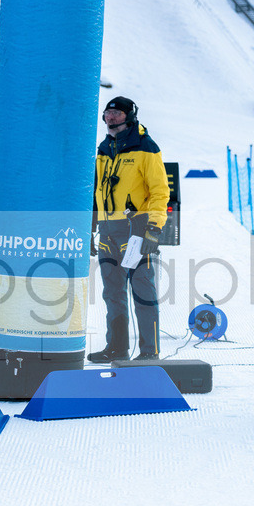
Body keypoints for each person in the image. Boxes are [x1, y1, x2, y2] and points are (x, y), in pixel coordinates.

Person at [87, 96, 170, 363]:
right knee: (112, 294)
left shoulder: (146, 147)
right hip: (107, 230)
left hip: (137, 230)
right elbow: (95, 190)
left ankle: (149, 352)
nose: (110, 118)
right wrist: (90, 228)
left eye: (117, 114)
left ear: (129, 116)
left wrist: (154, 229)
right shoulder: (103, 148)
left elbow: (160, 192)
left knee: (143, 293)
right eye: (107, 113)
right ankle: (117, 348)